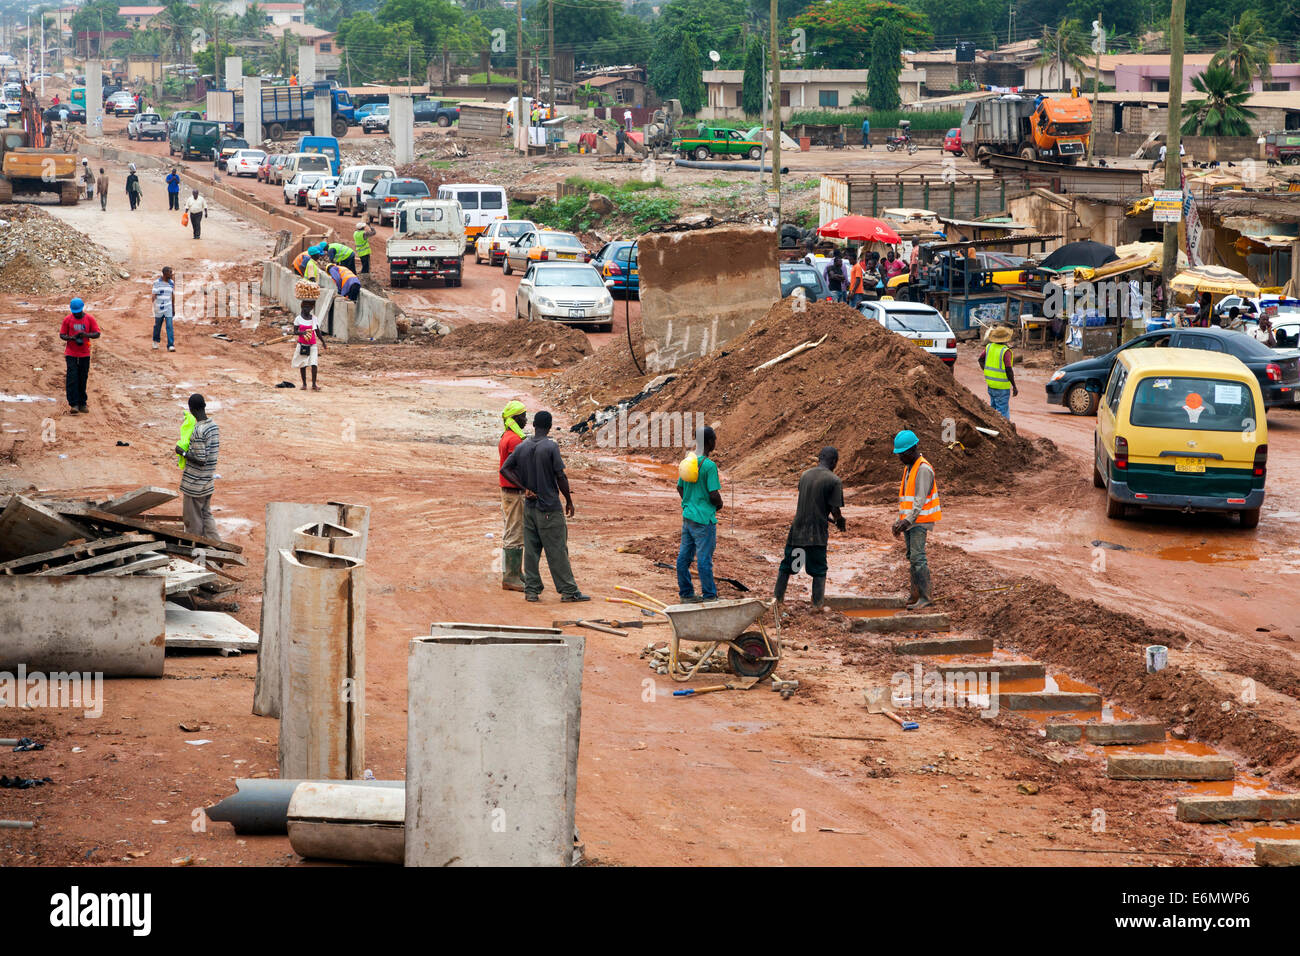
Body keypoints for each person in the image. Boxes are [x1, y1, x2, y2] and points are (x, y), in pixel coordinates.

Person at [499, 410, 590, 604]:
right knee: (557, 549)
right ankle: (568, 590)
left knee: (531, 552)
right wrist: (569, 500)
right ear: (549, 427)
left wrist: (524, 488)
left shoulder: (522, 447)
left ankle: (531, 591)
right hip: (549, 506)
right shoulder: (550, 446)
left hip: (530, 508)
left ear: (533, 425)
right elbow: (560, 476)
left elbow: (505, 469)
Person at [774, 446, 845, 610]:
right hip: (816, 533)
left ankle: (777, 600)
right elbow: (834, 509)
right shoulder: (834, 481)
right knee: (819, 569)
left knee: (788, 565)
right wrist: (840, 521)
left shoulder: (805, 475)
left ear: (819, 458)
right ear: (834, 462)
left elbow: (809, 500)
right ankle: (817, 605)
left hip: (797, 530)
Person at [891, 430, 940, 610]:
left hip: (919, 522)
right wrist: (899, 520)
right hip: (911, 521)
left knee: (918, 558)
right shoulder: (909, 468)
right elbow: (906, 500)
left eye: (901, 454)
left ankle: (925, 596)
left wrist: (907, 521)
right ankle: (915, 594)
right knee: (912, 557)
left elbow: (919, 501)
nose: (899, 458)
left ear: (911, 451)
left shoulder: (923, 469)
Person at [676, 427, 723, 603]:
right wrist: (719, 505)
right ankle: (710, 596)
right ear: (710, 442)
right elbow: (713, 494)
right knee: (704, 559)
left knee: (684, 557)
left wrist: (689, 502)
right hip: (704, 520)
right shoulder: (709, 466)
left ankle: (686, 594)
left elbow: (679, 486)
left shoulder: (689, 462)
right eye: (715, 440)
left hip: (688, 517)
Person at [176, 393, 220, 541]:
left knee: (192, 522)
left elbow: (201, 460)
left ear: (191, 409)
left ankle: (194, 554)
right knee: (206, 517)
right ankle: (217, 550)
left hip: (195, 486)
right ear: (204, 406)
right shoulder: (213, 427)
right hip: (208, 482)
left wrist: (182, 452)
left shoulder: (198, 431)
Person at [498, 400, 529, 592]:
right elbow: (510, 468)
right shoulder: (515, 440)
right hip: (514, 491)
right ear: (516, 418)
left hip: (507, 491)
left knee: (513, 530)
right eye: (523, 416)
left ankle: (516, 573)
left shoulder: (506, 436)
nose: (526, 419)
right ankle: (511, 577)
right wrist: (525, 487)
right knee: (515, 533)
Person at [60, 298, 100, 415]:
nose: (76, 314)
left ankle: (82, 403)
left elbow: (97, 333)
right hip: (71, 353)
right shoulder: (68, 319)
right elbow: (62, 334)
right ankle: (74, 404)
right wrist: (71, 338)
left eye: (78, 312)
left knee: (83, 378)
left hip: (84, 353)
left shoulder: (89, 319)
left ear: (82, 309)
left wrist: (86, 335)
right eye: (74, 312)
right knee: (72, 378)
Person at [978, 324, 1018, 419]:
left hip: (991, 385)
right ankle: (1004, 432)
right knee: (1002, 413)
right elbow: (1009, 370)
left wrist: (986, 371)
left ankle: (994, 429)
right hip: (1002, 387)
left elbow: (980, 360)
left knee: (993, 411)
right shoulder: (1005, 351)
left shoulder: (989, 347)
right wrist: (1014, 386)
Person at [152, 266, 176, 352]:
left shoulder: (171, 282)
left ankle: (170, 345)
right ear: (165, 273)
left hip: (168, 307)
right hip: (159, 308)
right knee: (157, 325)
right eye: (170, 272)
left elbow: (172, 295)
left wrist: (173, 307)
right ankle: (155, 341)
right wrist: (154, 307)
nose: (171, 274)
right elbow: (154, 295)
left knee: (169, 326)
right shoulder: (157, 282)